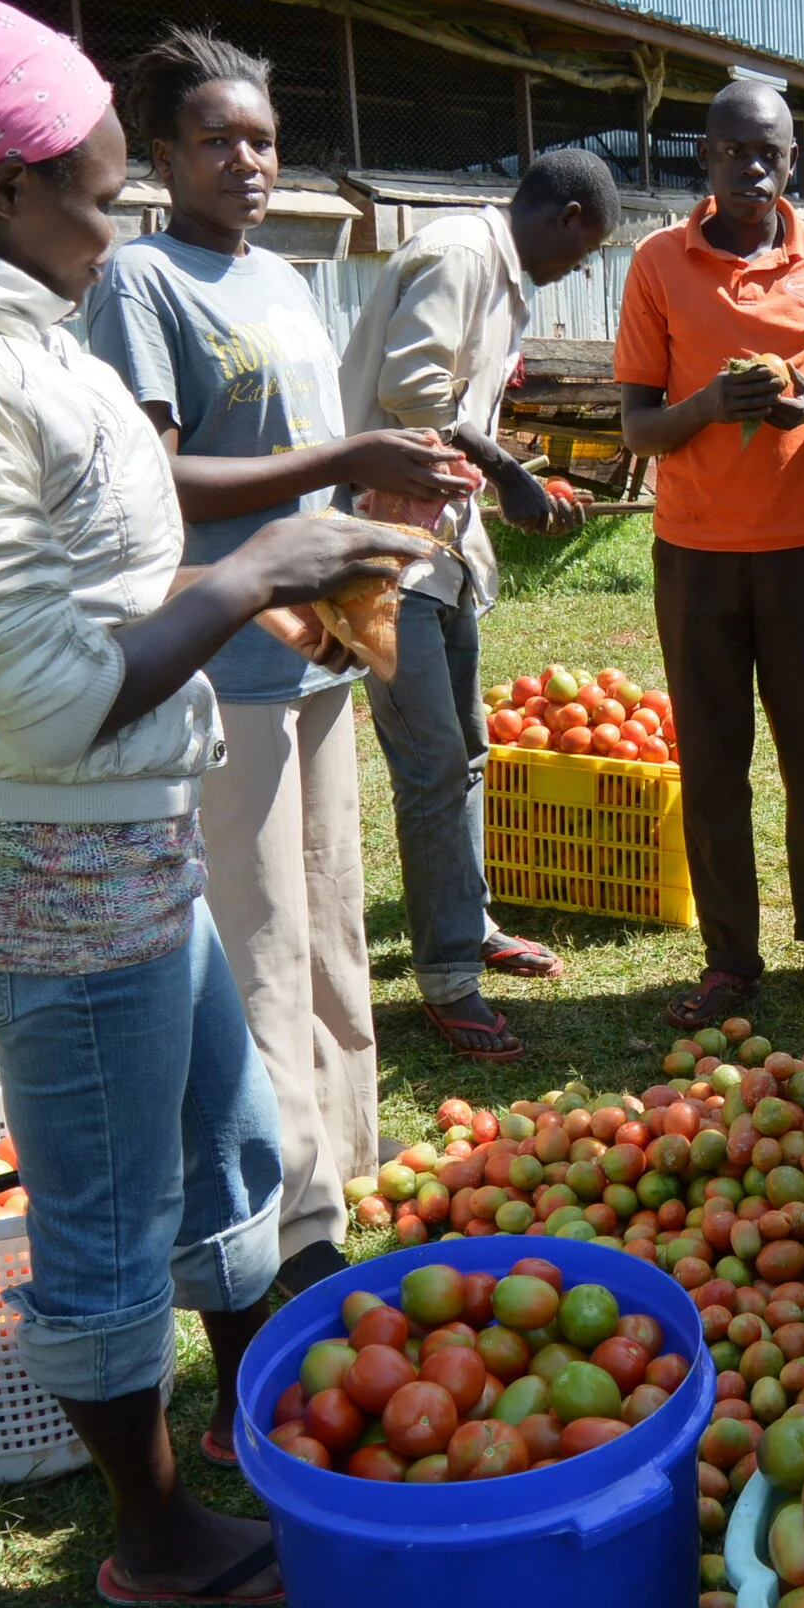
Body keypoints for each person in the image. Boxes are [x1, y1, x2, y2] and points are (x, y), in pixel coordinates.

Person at [0, 0, 427, 1602]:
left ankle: (247, 1407)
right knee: (108, 1228)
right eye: (103, 181)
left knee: (226, 1146)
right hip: (55, 878)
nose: (122, 210)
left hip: (127, 851)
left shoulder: (3, 319)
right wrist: (257, 570)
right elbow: (56, 698)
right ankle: (154, 1540)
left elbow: (134, 474)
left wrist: (321, 479)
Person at [84, 31, 469, 1307]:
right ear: (161, 158)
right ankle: (287, 1226)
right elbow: (158, 477)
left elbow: (311, 456)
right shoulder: (141, 284)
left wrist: (390, 477)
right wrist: (336, 460)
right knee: (255, 941)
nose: (246, 161)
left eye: (260, 138)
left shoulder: (284, 278)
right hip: (226, 654)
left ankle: (345, 1166)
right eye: (215, 141)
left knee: (330, 926)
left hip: (319, 651)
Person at [617, 80, 804, 1028]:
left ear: (792, 158)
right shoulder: (659, 262)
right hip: (695, 551)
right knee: (713, 757)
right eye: (733, 150)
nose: (750, 166)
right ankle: (731, 957)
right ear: (706, 157)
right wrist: (708, 409)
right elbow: (640, 426)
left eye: (767, 151)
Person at [335, 150, 620, 1058]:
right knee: (429, 764)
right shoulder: (463, 253)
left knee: (465, 751)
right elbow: (411, 394)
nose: (578, 269)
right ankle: (449, 980)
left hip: (443, 550)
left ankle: (471, 925)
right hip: (384, 555)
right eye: (586, 251)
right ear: (571, 216)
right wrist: (510, 472)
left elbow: (453, 388)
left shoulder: (497, 277)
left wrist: (497, 406)